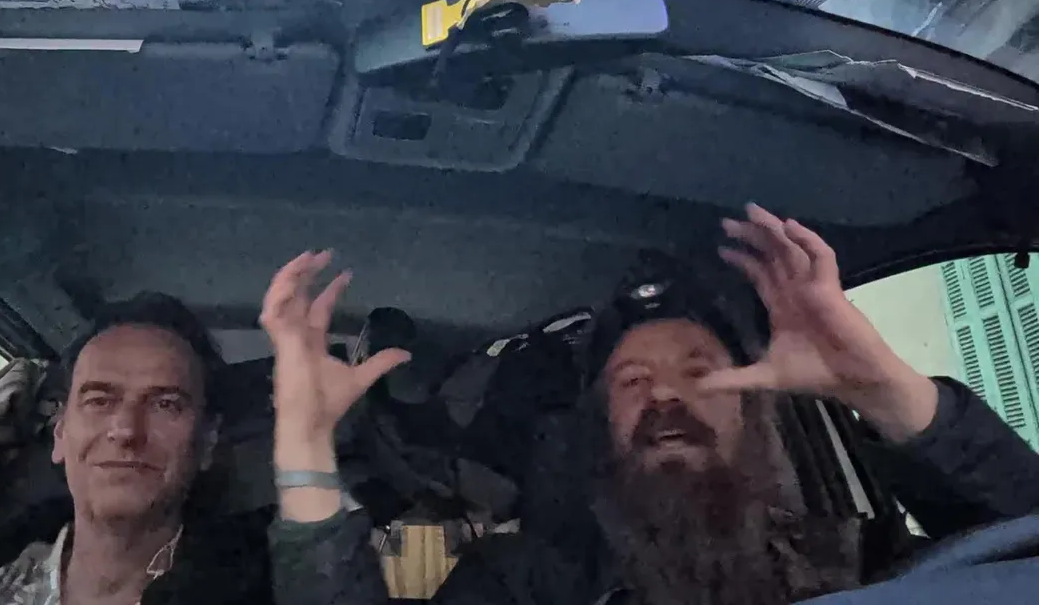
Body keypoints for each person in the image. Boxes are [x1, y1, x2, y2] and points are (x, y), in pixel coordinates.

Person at [261, 204, 1039, 605]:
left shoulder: (864, 559)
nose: (665, 392)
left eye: (699, 373)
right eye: (631, 382)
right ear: (601, 427)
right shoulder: (525, 585)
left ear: (753, 412)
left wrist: (886, 391)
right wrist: (304, 449)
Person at [0, 293, 262, 605]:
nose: (125, 430)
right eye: (99, 401)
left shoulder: (262, 590)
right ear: (60, 433)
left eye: (165, 404)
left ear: (208, 441)